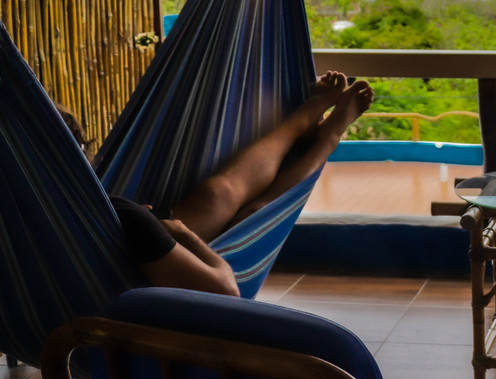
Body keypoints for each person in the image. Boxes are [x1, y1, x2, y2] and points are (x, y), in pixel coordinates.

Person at [59, 72, 373, 297]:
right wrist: (183, 234)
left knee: (219, 193)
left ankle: (302, 124)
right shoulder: (120, 214)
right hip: (152, 271)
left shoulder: (25, 217)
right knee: (255, 213)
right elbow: (225, 289)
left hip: (116, 257)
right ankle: (326, 136)